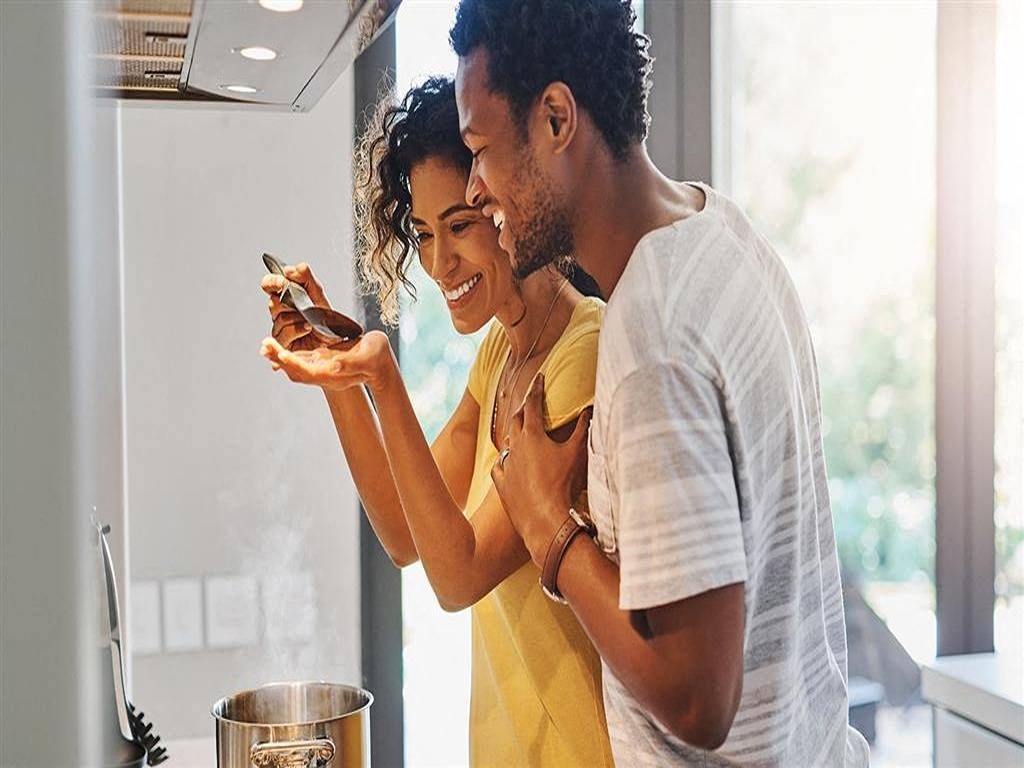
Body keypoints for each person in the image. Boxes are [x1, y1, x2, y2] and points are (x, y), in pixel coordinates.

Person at [448, 1, 872, 766]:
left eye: (480, 149)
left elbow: (697, 699)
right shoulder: (724, 231)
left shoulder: (652, 337)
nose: (475, 189)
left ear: (556, 119)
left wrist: (550, 528)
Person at [258, 77, 614, 767]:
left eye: (459, 225)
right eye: (422, 234)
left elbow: (458, 575)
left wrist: (383, 376)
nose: (438, 263)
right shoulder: (501, 352)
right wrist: (338, 370)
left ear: (505, 202)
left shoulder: (582, 356)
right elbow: (403, 533)